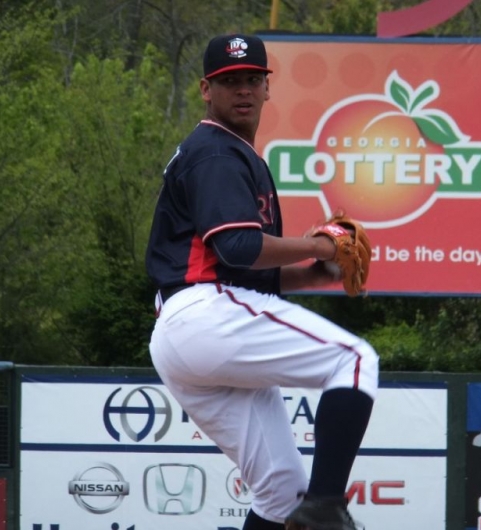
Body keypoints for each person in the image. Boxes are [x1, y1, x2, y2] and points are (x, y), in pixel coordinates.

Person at [145, 33, 379, 530]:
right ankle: (328, 505)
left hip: (189, 331)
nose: (244, 90)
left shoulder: (221, 153)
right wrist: (320, 244)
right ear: (207, 89)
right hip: (204, 316)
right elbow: (239, 248)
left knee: (279, 491)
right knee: (354, 359)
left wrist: (314, 272)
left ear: (268, 89)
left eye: (253, 79)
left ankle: (311, 504)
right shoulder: (216, 152)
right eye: (231, 81)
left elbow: (239, 267)